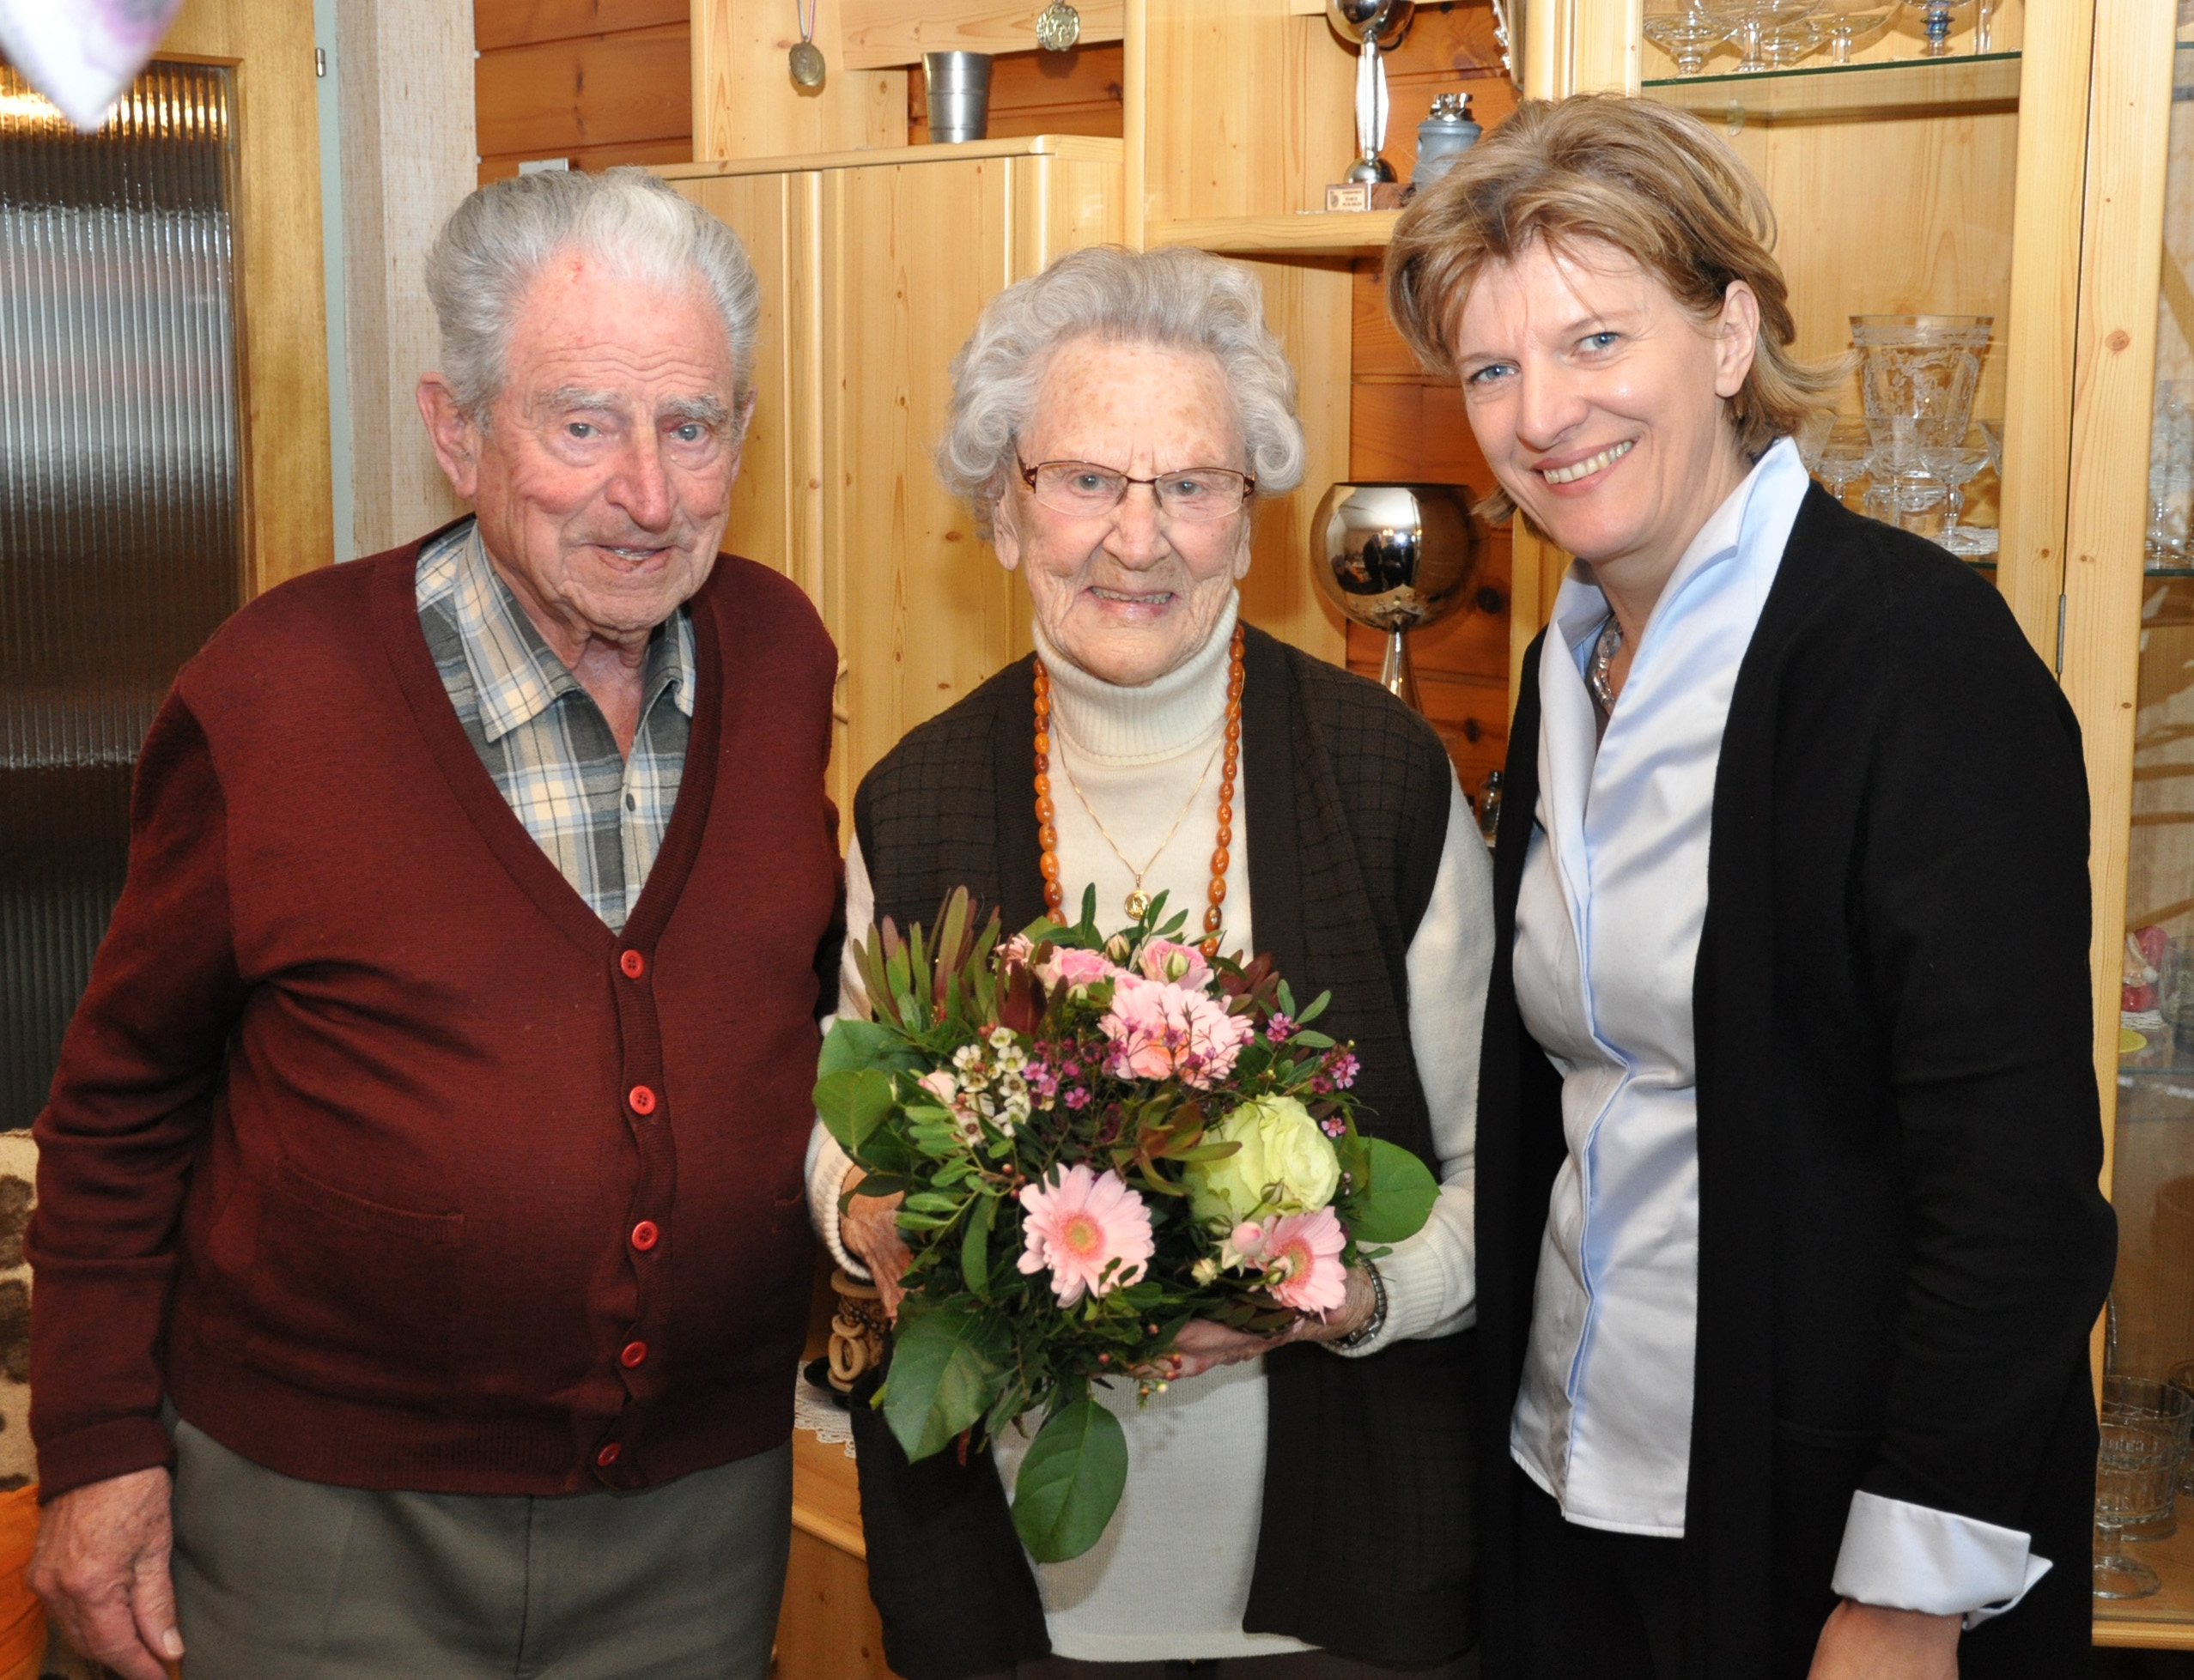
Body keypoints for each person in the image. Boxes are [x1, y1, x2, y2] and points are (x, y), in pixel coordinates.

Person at [26, 167, 842, 1680]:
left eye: (693, 425)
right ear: (457, 427)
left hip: (695, 1518)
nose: (649, 495)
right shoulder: (277, 691)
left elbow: (801, 1010)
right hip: (321, 1521)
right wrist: (93, 1448)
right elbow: (120, 1105)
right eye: (583, 423)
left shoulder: (781, 654)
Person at [1383, 94, 2116, 1680]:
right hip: (1577, 1491)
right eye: (1494, 368)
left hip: (1825, 1534)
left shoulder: (1917, 663)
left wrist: (1910, 1590)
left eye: (1595, 342)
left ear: (1728, 335)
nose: (1539, 414)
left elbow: (2020, 1192)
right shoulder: (1567, 660)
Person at [804, 244, 1492, 1680]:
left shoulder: (1385, 783)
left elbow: (1508, 1175)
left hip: (1339, 1596)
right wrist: (861, 1207)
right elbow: (839, 1122)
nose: (1140, 536)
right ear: (1006, 509)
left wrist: (1351, 1296)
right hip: (1001, 1599)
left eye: (1191, 484)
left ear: (1249, 522)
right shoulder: (915, 801)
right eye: (1086, 481)